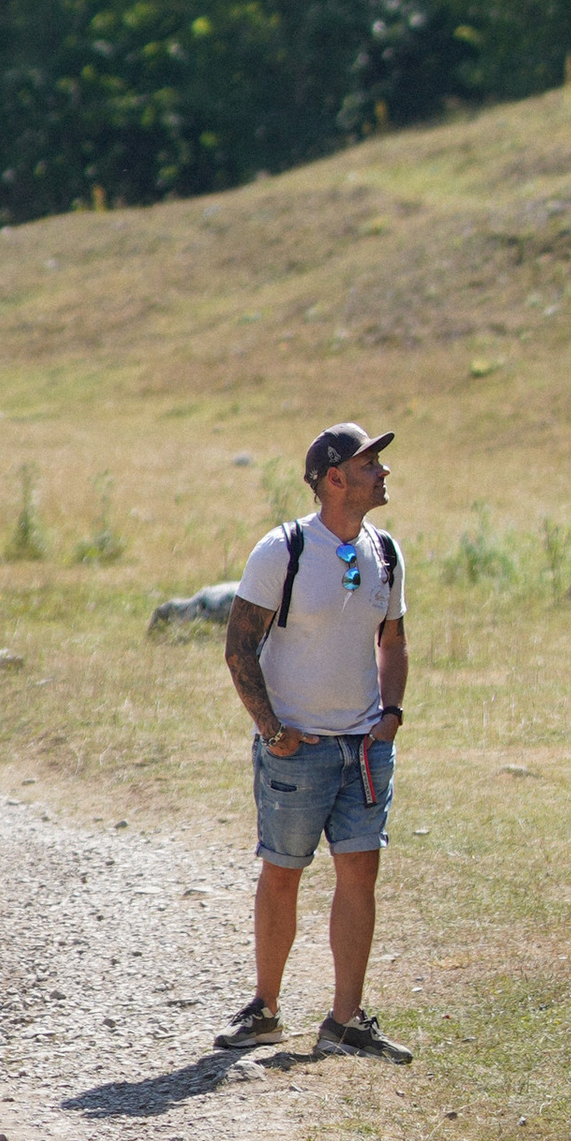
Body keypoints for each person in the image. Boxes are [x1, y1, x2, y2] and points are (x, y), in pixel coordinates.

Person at [219, 419, 412, 1059]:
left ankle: (345, 1020)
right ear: (334, 479)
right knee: (283, 874)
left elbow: (394, 639)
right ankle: (266, 1009)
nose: (382, 472)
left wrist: (390, 713)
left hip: (363, 749)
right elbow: (240, 646)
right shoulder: (283, 550)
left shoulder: (385, 551)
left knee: (361, 875)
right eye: (368, 464)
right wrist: (271, 731)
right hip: (295, 752)